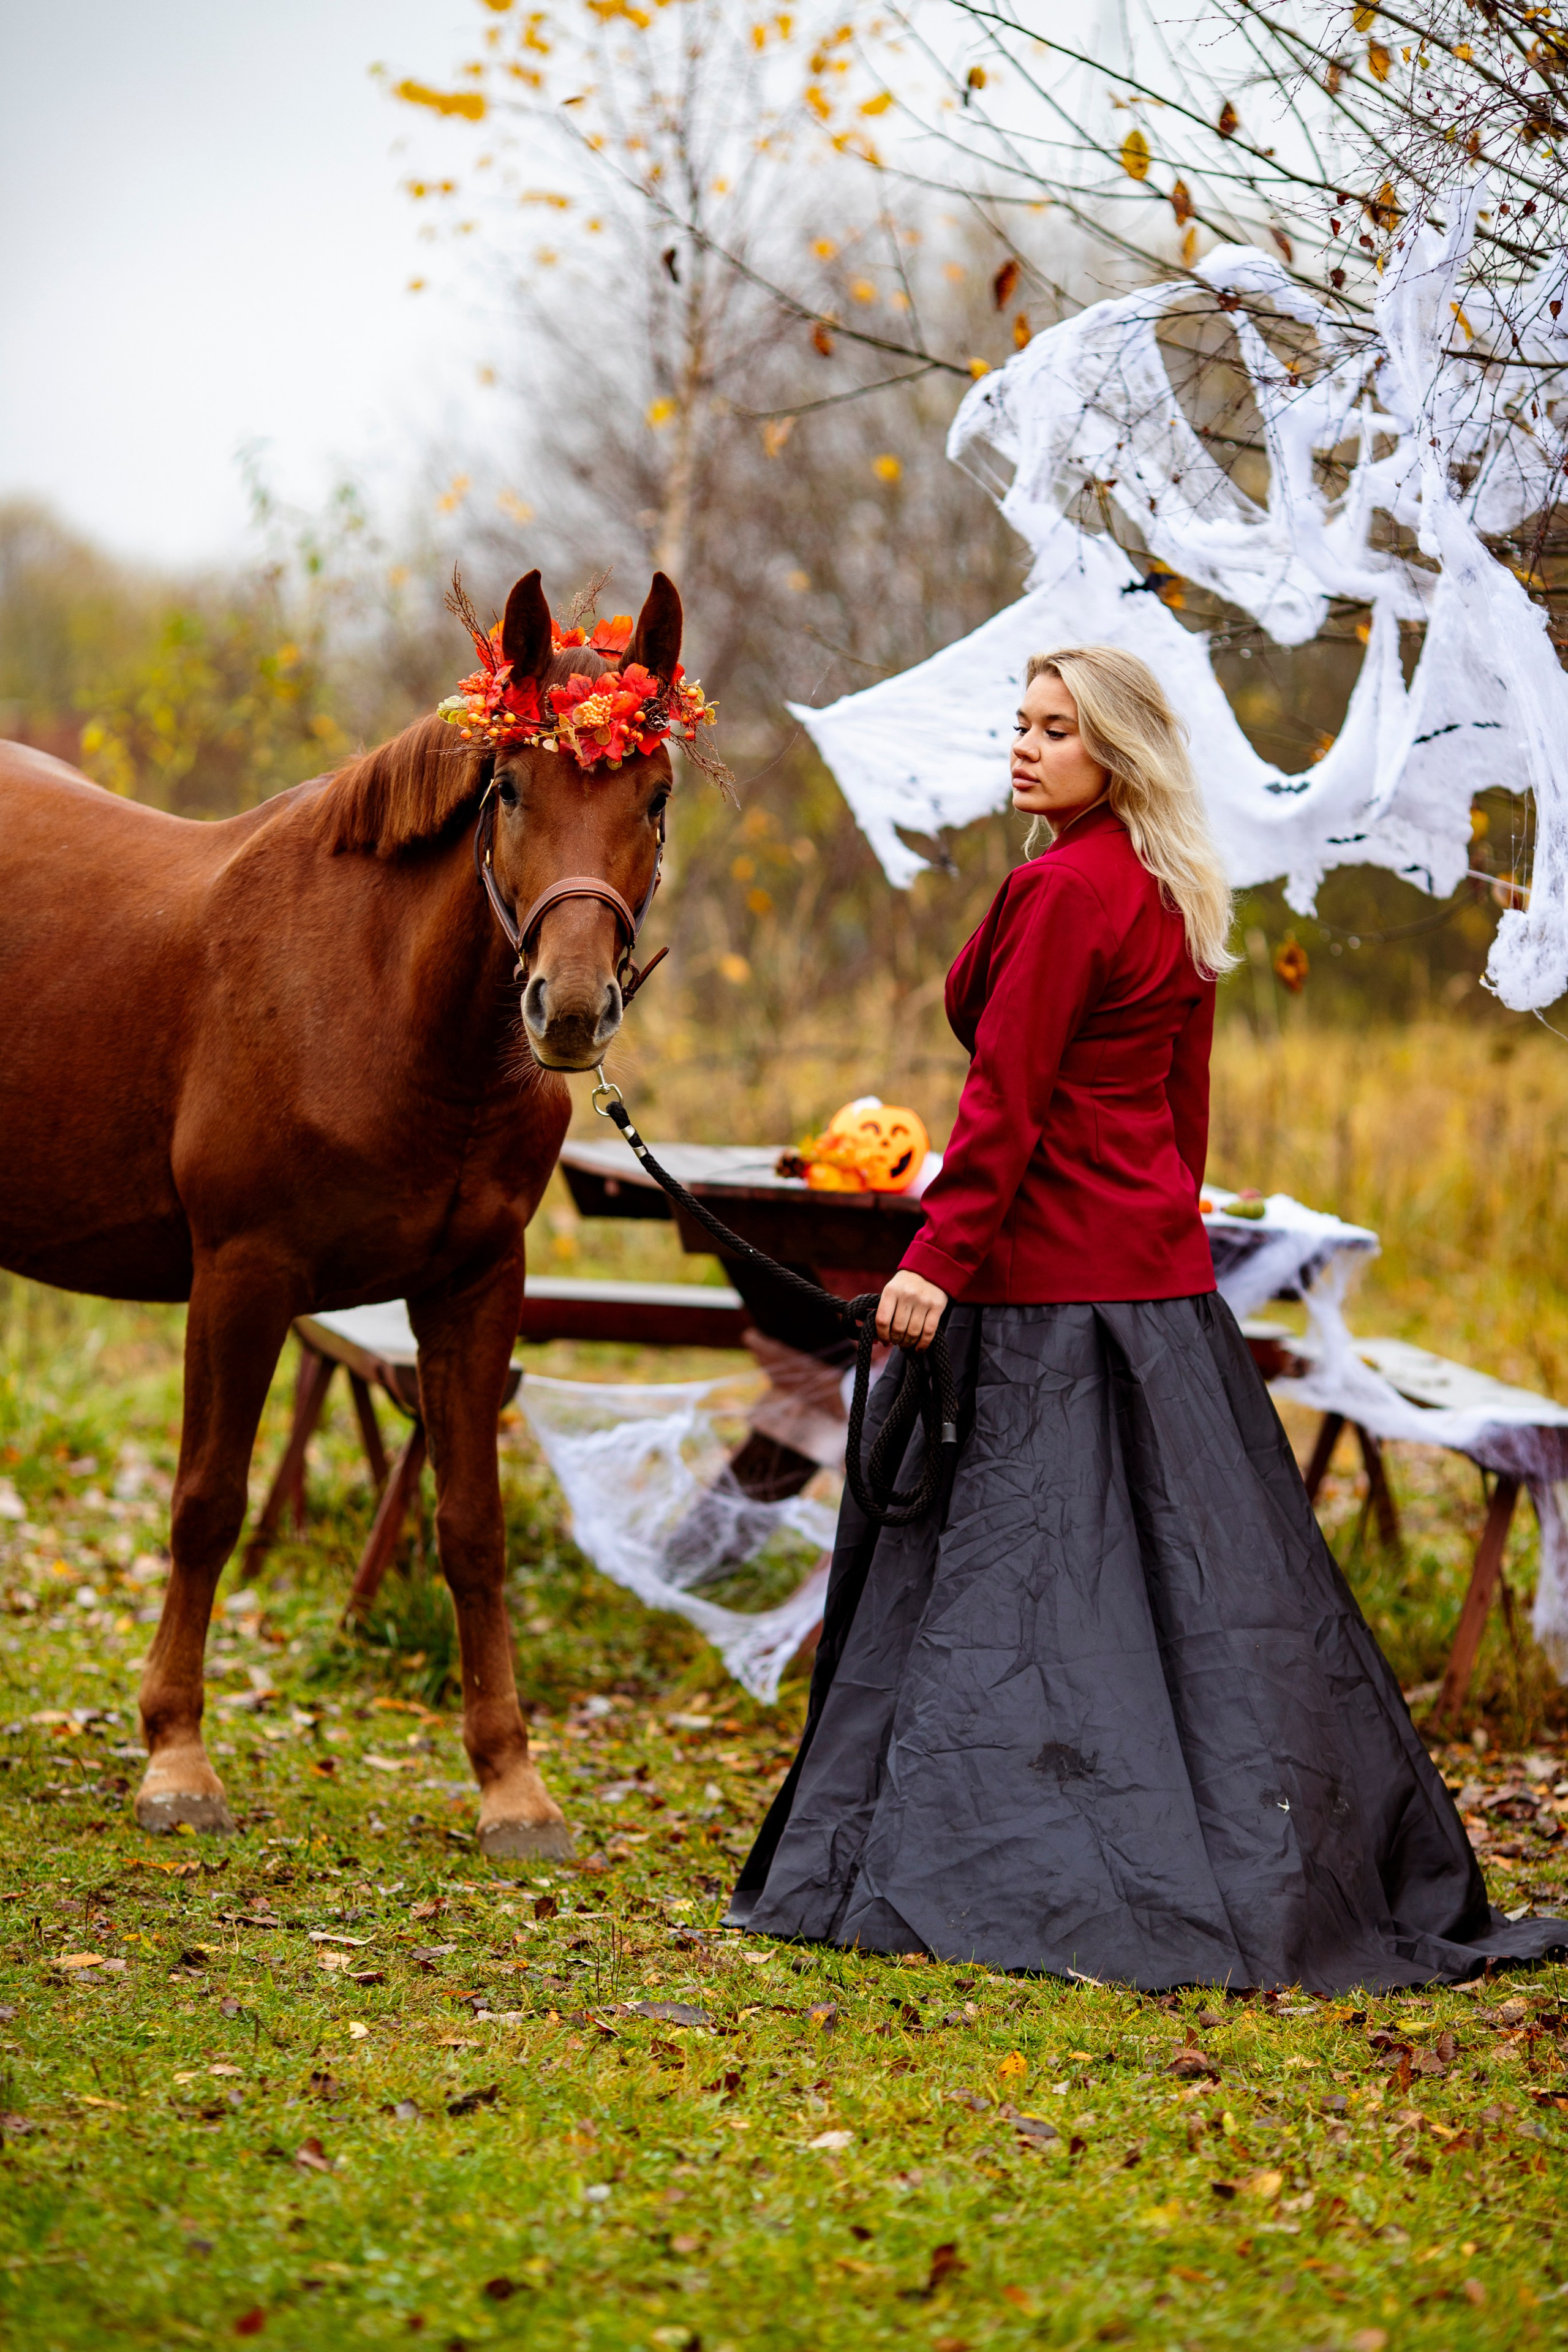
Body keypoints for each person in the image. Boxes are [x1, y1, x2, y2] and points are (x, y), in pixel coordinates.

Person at [729, 646, 1566, 1991]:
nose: (1023, 749)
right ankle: (1211, 1851)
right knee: (1182, 1597)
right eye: (1019, 726)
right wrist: (1159, 1242)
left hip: (1041, 1294)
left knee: (1019, 1591)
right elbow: (1182, 1118)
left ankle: (1027, 1862)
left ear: (1111, 752)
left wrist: (936, 1262)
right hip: (1152, 1295)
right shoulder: (1173, 883)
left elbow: (1002, 1103)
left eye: (1054, 731)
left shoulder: (1058, 890)